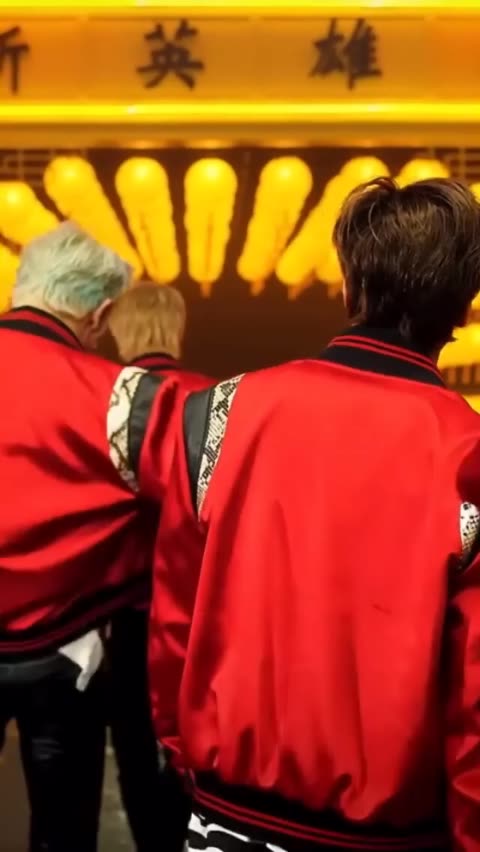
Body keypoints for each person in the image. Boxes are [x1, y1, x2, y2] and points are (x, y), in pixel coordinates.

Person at [104, 177, 480, 851]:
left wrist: (184, 754)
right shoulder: (466, 450)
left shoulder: (221, 414)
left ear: (350, 288)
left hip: (226, 815)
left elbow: (175, 618)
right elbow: (473, 693)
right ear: (462, 307)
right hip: (388, 835)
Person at [0, 222, 178, 852]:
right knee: (64, 834)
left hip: (62, 649)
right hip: (65, 651)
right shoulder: (119, 394)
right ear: (100, 314)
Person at [105, 282, 212, 852]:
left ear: (119, 329)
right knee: (195, 746)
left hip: (127, 605)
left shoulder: (106, 402)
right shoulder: (214, 399)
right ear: (178, 327)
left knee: (133, 747)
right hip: (199, 611)